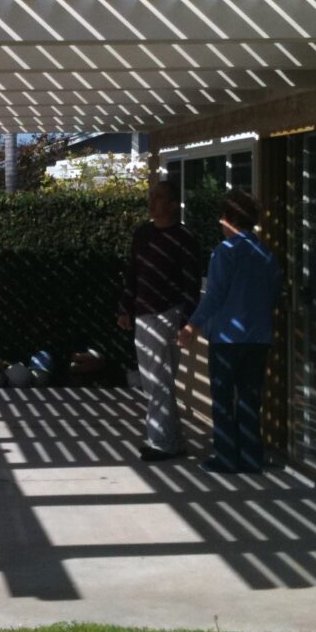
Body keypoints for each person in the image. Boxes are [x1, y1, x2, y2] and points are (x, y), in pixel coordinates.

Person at [179, 190, 282, 474]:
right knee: (250, 398)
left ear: (229, 219)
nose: (221, 223)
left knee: (223, 400)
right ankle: (250, 457)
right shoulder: (267, 255)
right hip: (259, 338)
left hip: (226, 338)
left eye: (223, 218)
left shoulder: (225, 252)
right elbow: (273, 294)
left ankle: (225, 457)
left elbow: (214, 296)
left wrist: (191, 326)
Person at [118, 180, 200, 462]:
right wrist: (125, 308)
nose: (151, 202)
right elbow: (133, 272)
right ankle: (172, 440)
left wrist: (187, 321)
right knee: (152, 381)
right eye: (151, 196)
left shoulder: (184, 238)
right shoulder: (143, 234)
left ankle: (161, 443)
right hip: (142, 313)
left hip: (168, 313)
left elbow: (191, 283)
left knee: (159, 380)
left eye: (159, 197)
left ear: (173, 204)